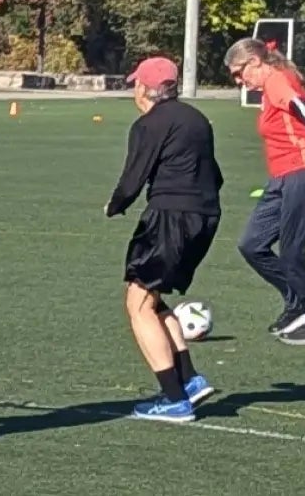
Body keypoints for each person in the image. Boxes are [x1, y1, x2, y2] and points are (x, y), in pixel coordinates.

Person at [105, 57, 223, 423]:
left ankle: (173, 399)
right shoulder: (196, 119)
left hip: (170, 217)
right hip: (205, 217)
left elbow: (133, 178)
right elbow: (215, 175)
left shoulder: (149, 124)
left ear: (144, 88)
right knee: (153, 300)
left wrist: (115, 204)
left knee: (137, 303)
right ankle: (189, 380)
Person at [226, 37, 305, 346]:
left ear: (254, 62)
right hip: (283, 178)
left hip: (304, 174)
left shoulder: (277, 80)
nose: (240, 81)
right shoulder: (275, 84)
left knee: (292, 253)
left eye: (240, 73)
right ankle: (297, 304)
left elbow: (300, 107)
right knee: (252, 244)